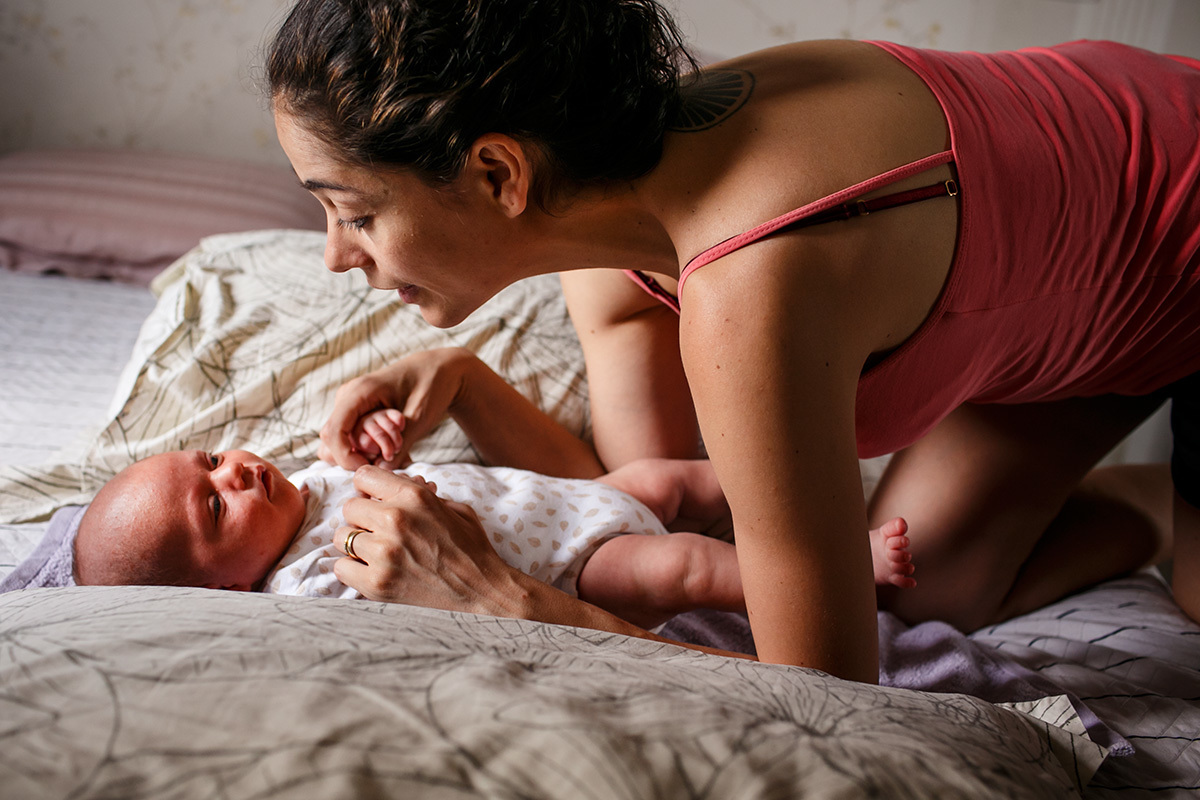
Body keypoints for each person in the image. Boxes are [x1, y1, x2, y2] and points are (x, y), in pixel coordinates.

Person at [265, 0, 1196, 681]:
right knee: (918, 593)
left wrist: (502, 603)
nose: (338, 258)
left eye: (353, 211)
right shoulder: (610, 208)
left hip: (1175, 210)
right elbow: (641, 508)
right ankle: (1155, 505)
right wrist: (466, 380)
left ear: (500, 172)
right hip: (1087, 281)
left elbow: (823, 695)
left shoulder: (755, 287)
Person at [72, 415, 916, 632]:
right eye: (217, 505)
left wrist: (378, 441)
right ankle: (848, 564)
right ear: (226, 588)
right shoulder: (304, 581)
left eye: (213, 459)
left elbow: (390, 471)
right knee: (680, 570)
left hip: (574, 496)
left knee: (672, 478)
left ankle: (806, 487)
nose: (238, 470)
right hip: (576, 559)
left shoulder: (303, 480)